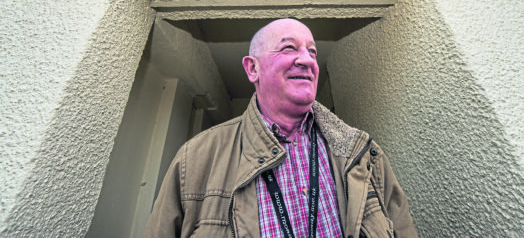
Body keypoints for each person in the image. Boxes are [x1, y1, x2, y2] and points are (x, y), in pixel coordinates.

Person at [143, 18, 417, 238]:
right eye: (289, 48)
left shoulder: (364, 153)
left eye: (312, 51)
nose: (308, 60)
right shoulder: (195, 158)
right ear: (253, 69)